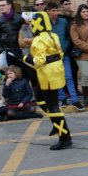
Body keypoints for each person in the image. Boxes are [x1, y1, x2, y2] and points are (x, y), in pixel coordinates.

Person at [22, 12, 72, 150]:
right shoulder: (53, 35)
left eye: (32, 23)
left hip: (47, 75)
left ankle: (65, 137)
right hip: (55, 71)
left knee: (53, 106)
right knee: (40, 97)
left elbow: (38, 62)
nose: (31, 25)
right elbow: (60, 53)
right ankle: (56, 125)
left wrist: (25, 58)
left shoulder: (38, 40)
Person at [47, 3, 84, 110]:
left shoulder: (63, 22)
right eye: (53, 11)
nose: (55, 13)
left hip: (65, 54)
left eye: (56, 10)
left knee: (69, 77)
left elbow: (68, 37)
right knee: (57, 78)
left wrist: (65, 49)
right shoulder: (46, 24)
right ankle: (62, 99)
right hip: (53, 56)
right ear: (48, 11)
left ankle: (74, 100)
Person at [0, 0, 24, 68]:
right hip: (6, 51)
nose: (1, 7)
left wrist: (23, 45)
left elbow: (24, 33)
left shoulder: (19, 18)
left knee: (22, 70)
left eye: (3, 5)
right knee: (10, 72)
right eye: (0, 6)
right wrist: (1, 50)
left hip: (18, 50)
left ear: (9, 5)